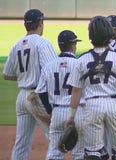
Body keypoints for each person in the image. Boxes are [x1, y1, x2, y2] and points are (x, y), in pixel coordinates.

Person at [65, 16, 116, 160]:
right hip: (114, 105)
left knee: (93, 152)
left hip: (92, 106)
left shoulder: (82, 60)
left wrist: (72, 116)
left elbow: (76, 91)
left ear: (90, 36)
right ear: (109, 34)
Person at [2, 8, 57, 160]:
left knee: (22, 142)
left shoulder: (17, 45)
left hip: (22, 98)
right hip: (38, 97)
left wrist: (24, 77)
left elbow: (7, 74)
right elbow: (52, 71)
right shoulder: (43, 43)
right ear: (40, 23)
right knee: (56, 136)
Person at [35, 30, 85, 160]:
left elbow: (41, 91)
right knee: (79, 153)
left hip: (57, 112)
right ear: (73, 45)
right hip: (77, 112)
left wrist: (50, 110)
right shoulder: (80, 64)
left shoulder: (49, 66)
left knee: (54, 153)